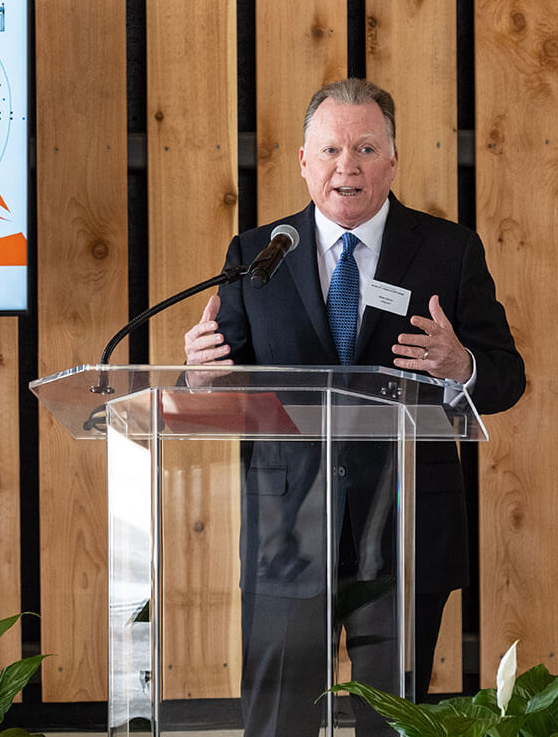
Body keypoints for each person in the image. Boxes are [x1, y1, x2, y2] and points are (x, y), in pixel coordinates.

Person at [183, 78, 525, 736]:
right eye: (332, 149)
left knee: (388, 725)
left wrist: (462, 368)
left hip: (405, 530)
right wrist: (201, 374)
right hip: (286, 535)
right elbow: (223, 385)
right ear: (305, 162)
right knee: (279, 721)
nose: (349, 165)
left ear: (392, 161)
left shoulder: (448, 251)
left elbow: (506, 379)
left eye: (366, 148)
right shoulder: (256, 257)